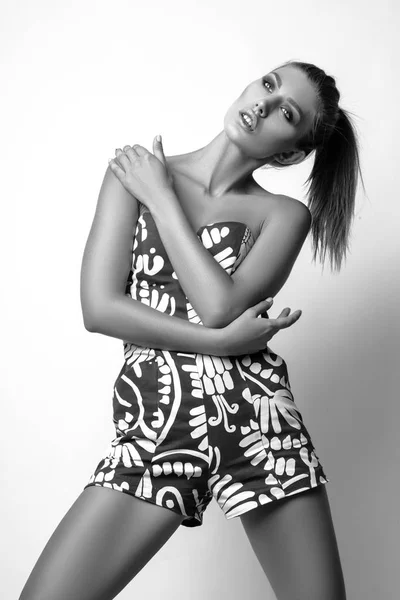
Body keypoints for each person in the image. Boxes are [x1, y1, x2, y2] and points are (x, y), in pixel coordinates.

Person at [19, 60, 363, 600]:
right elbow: (100, 308)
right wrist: (218, 344)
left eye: (286, 113)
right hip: (157, 430)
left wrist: (162, 199)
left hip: (260, 430)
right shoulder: (131, 173)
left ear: (290, 153)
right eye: (268, 85)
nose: (263, 103)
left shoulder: (283, 215)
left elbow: (220, 305)